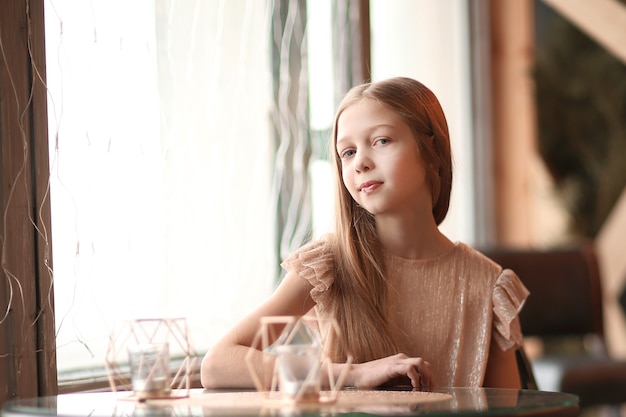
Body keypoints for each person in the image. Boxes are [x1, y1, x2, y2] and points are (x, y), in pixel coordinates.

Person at [201, 76, 529, 390]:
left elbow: (510, 409)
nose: (360, 163)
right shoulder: (328, 266)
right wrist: (354, 376)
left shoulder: (490, 286)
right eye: (348, 152)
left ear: (432, 148)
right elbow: (217, 363)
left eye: (381, 141)